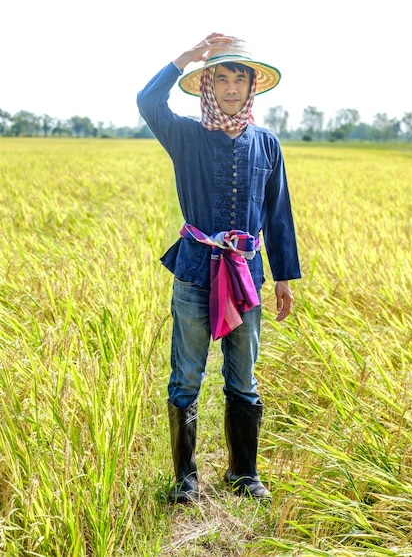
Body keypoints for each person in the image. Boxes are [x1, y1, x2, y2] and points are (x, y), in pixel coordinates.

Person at [137, 33, 301, 503]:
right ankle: (185, 479)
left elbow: (278, 214)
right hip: (195, 270)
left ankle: (243, 475)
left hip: (246, 278)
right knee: (186, 376)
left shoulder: (267, 144)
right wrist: (184, 58)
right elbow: (147, 100)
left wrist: (285, 276)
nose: (232, 87)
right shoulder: (186, 136)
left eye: (240, 79)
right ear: (208, 84)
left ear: (253, 87)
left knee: (243, 377)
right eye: (222, 77)